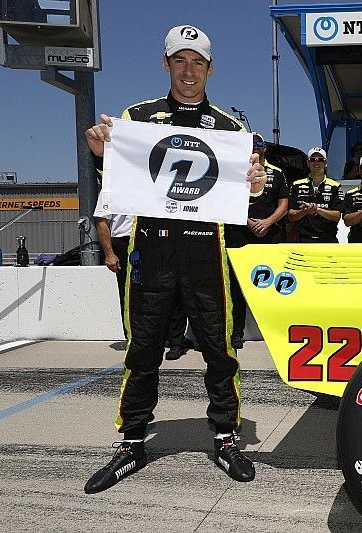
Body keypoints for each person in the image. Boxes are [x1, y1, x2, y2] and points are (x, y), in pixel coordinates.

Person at [83, 25, 263, 494]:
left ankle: (225, 438)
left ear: (210, 68)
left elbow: (248, 192)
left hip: (208, 251)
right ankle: (132, 442)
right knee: (142, 351)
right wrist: (102, 153)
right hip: (152, 249)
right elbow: (117, 176)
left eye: (197, 62)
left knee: (220, 350)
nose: (189, 71)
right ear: (166, 64)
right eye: (179, 61)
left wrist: (256, 183)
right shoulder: (137, 118)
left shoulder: (231, 129)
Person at [93, 197, 189, 361]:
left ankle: (175, 341)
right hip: (125, 240)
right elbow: (102, 221)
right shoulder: (111, 185)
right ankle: (134, 339)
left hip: (158, 239)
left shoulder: (153, 176)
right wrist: (109, 253)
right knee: (129, 293)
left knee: (172, 289)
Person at [225, 133, 289, 349]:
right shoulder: (235, 173)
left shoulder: (277, 174)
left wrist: (268, 222)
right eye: (251, 145)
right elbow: (228, 202)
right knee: (236, 287)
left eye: (259, 145)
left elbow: (283, 205)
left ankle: (273, 333)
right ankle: (236, 333)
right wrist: (248, 222)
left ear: (264, 149)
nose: (255, 148)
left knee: (271, 286)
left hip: (269, 236)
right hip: (239, 234)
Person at [288, 147, 343, 243]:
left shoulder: (336, 186)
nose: (316, 162)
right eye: (313, 159)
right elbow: (291, 215)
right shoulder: (296, 185)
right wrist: (304, 212)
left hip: (329, 240)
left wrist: (317, 209)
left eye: (320, 159)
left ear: (326, 163)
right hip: (304, 240)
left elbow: (337, 216)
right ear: (308, 163)